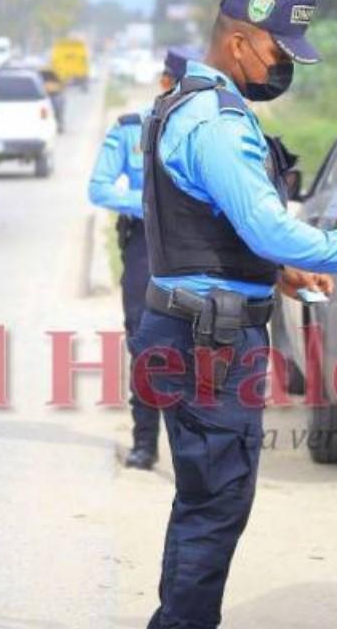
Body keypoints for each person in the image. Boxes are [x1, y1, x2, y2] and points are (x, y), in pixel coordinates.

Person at [133, 0, 337, 629]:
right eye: (279, 53)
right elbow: (267, 226)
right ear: (239, 41)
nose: (285, 66)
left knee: (205, 504)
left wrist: (272, 271)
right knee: (215, 508)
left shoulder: (186, 105)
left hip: (188, 328)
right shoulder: (218, 124)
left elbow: (209, 231)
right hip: (208, 344)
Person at [87, 45, 200, 471]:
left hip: (195, 248)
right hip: (145, 246)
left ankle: (190, 447)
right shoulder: (131, 129)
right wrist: (152, 203)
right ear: (165, 83)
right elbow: (99, 188)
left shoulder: (209, 133)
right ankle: (144, 442)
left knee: (195, 344)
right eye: (184, 88)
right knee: (145, 341)